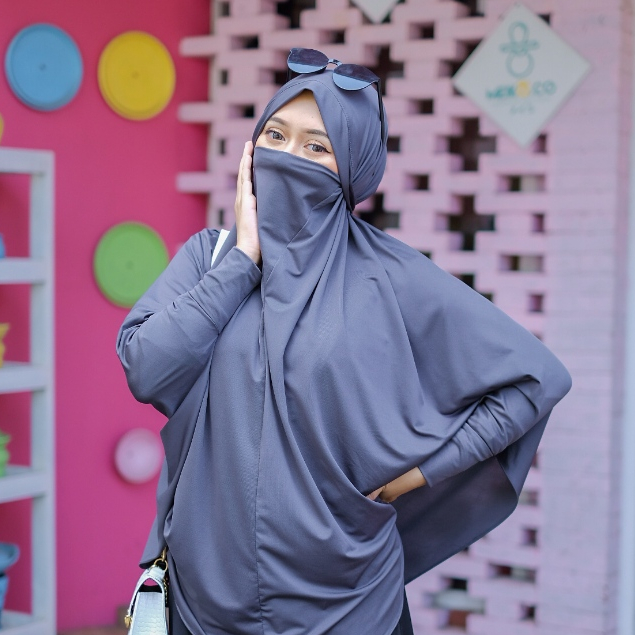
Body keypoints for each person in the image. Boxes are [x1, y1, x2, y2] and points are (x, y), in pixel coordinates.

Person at [116, 52, 572, 635]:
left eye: (317, 147)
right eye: (275, 136)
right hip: (204, 600)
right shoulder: (209, 257)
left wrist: (418, 474)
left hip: (349, 602)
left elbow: (535, 382)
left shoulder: (391, 275)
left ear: (353, 166)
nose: (289, 157)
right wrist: (243, 261)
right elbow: (146, 369)